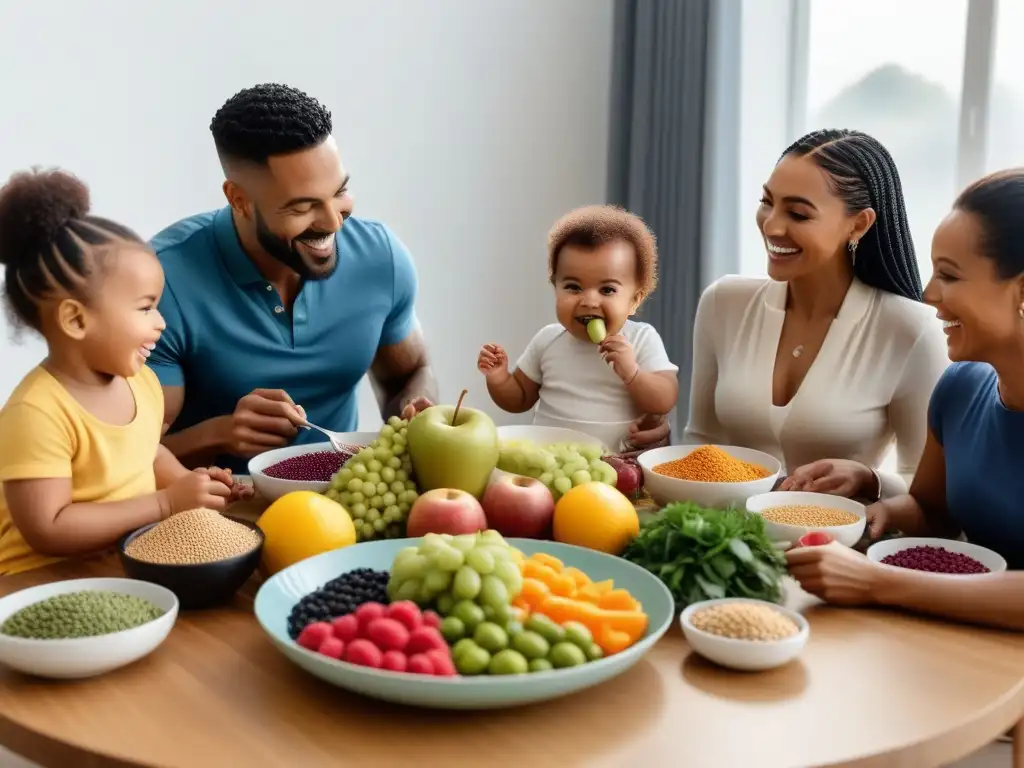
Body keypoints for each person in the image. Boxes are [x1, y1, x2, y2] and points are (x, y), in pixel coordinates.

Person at [148, 84, 437, 474]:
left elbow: (410, 372)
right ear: (238, 199)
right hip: (215, 517)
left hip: (344, 501)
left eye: (340, 191)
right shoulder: (161, 284)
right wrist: (220, 433)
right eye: (303, 206)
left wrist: (414, 409)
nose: (334, 221)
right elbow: (126, 460)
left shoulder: (381, 258)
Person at [787, 168, 1024, 631]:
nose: (929, 294)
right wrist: (873, 507)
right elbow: (934, 515)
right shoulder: (960, 387)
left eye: (950, 276)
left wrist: (875, 582)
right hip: (961, 645)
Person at [0, 169, 246, 576]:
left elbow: (146, 454)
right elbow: (48, 528)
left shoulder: (141, 383)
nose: (161, 323)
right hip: (38, 583)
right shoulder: (36, 414)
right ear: (76, 320)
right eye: (145, 307)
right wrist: (166, 504)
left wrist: (190, 484)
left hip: (120, 562)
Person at [685, 129, 949, 499]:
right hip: (721, 537)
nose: (772, 225)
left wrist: (870, 479)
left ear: (859, 224)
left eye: (797, 213)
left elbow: (930, 492)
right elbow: (701, 444)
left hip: (833, 547)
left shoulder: (911, 330)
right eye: (767, 202)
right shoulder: (723, 303)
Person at [477, 205, 679, 451]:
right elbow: (518, 399)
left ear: (634, 300)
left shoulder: (640, 339)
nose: (589, 301)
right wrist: (498, 378)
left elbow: (664, 399)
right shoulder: (548, 340)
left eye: (607, 290)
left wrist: (633, 374)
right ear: (555, 288)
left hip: (618, 465)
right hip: (549, 462)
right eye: (573, 287)